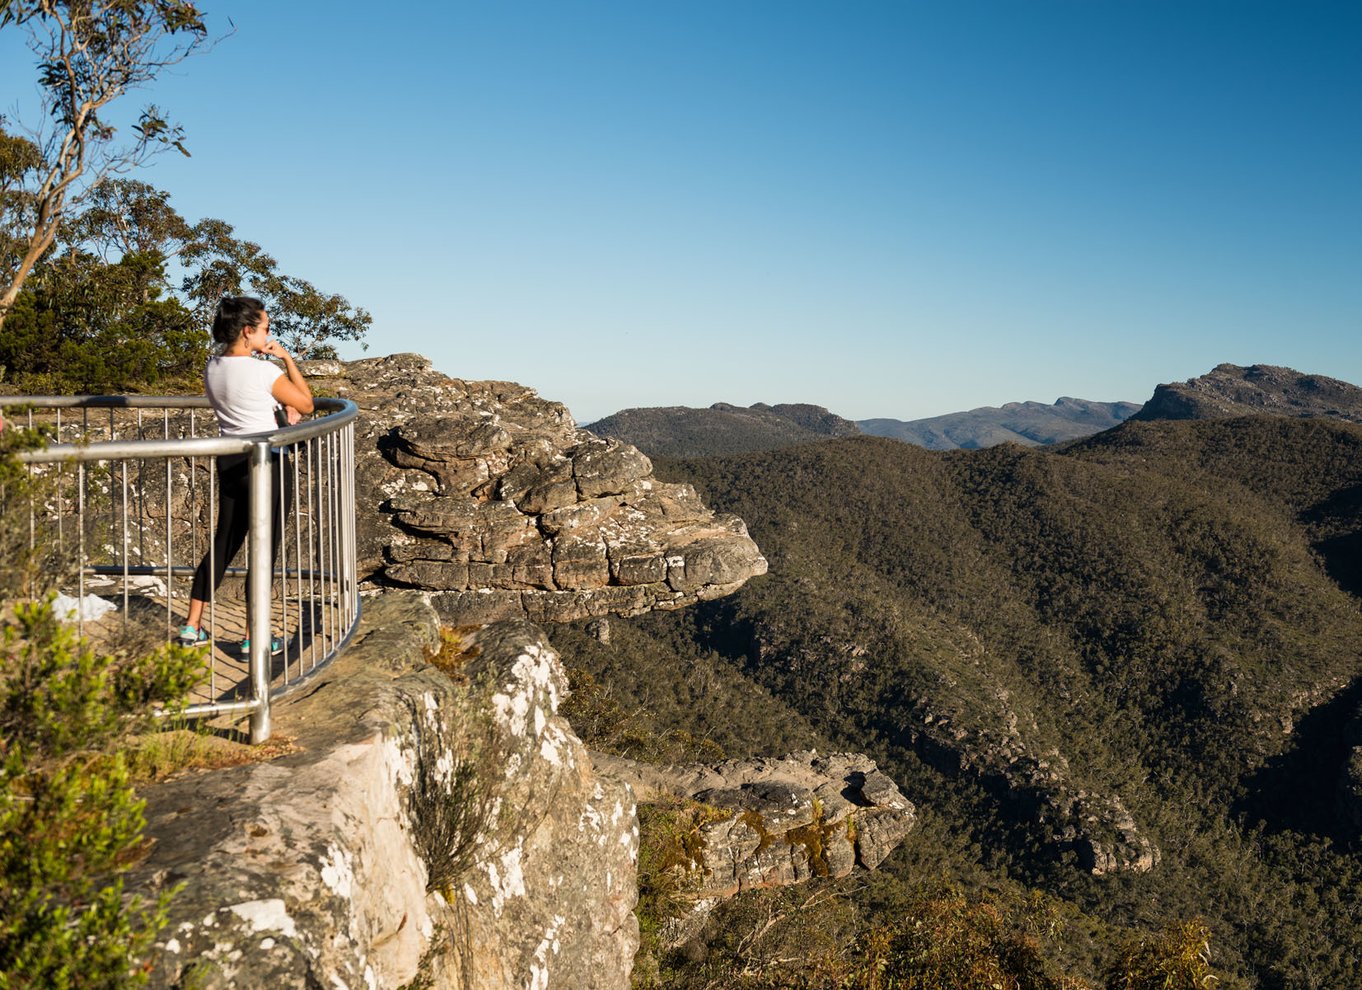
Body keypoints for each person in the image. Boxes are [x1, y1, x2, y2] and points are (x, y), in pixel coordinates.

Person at [178, 296, 313, 653]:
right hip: (266, 463)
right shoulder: (264, 371)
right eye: (266, 328)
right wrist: (286, 359)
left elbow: (241, 404)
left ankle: (192, 626)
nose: (269, 334)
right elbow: (306, 403)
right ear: (248, 331)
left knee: (223, 543)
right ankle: (256, 636)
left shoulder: (213, 367)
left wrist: (274, 404)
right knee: (263, 552)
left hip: (231, 461)